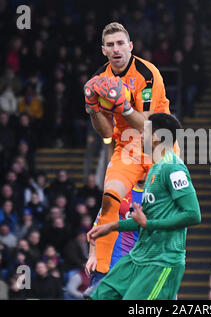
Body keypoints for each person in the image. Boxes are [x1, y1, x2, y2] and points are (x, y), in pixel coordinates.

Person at [83, 22, 175, 276]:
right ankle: (100, 274)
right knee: (110, 198)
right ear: (103, 50)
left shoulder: (148, 73)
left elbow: (148, 125)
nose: (116, 49)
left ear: (130, 46)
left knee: (166, 209)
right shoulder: (100, 79)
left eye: (120, 43)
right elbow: (104, 133)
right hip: (127, 147)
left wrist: (122, 106)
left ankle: (165, 270)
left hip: (160, 143)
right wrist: (93, 110)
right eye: (110, 45)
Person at [86, 113, 201, 300]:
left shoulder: (174, 169)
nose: (139, 136)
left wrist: (148, 224)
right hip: (139, 257)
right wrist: (110, 226)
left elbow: (193, 215)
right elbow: (142, 220)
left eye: (144, 132)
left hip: (162, 260)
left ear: (156, 138)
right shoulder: (154, 170)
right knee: (97, 296)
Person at [83, 181, 144, 297]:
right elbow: (98, 225)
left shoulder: (156, 195)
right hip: (109, 263)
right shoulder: (120, 192)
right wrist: (92, 256)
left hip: (136, 266)